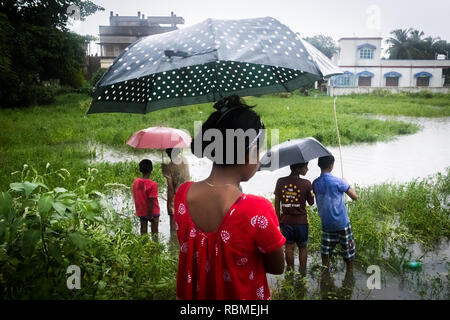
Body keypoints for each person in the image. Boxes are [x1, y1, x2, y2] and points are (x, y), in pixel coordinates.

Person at [174, 95, 285, 300]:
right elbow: (277, 267)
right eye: (259, 149)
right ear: (250, 151)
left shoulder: (182, 195)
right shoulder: (257, 210)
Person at [312, 155, 358, 273]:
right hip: (342, 223)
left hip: (327, 225)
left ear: (319, 165)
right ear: (331, 166)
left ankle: (325, 273)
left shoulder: (315, 183)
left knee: (325, 252)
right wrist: (346, 183)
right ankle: (349, 274)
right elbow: (354, 197)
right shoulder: (338, 181)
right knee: (349, 252)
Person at [274, 162, 314, 275]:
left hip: (285, 222)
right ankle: (303, 274)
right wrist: (311, 191)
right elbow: (311, 203)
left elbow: (277, 202)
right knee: (302, 247)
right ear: (298, 169)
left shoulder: (280, 181)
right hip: (301, 222)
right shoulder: (306, 183)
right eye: (305, 166)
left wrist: (277, 219)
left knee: (289, 247)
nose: (307, 169)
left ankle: (290, 272)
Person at [162, 148, 191, 234]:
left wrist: (169, 203)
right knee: (185, 222)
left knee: (173, 225)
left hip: (176, 196)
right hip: (187, 194)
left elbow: (170, 188)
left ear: (168, 153)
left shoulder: (169, 167)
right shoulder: (185, 160)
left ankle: (173, 243)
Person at [132, 159, 160, 236]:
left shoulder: (136, 182)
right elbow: (151, 200)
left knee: (143, 231)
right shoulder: (153, 184)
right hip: (153, 212)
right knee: (155, 233)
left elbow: (136, 195)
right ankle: (155, 246)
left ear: (140, 170)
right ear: (151, 170)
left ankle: (143, 245)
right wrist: (150, 215)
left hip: (141, 211)